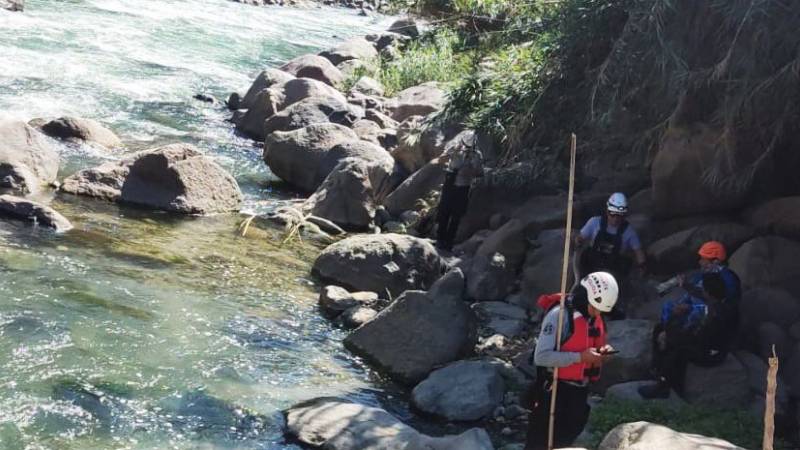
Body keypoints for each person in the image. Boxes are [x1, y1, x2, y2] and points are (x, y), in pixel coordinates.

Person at [525, 272, 619, 450]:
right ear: (586, 297)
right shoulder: (559, 316)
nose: (598, 313)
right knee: (539, 443)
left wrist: (601, 353)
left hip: (578, 392)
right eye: (595, 307)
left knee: (565, 441)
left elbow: (590, 344)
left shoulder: (593, 317)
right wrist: (580, 357)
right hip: (554, 390)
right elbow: (541, 356)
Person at [638, 272, 738, 399]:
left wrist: (672, 328)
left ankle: (665, 385)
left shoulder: (718, 314)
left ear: (708, 292)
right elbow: (700, 295)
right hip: (706, 340)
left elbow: (700, 337)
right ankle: (657, 369)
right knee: (660, 329)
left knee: (678, 350)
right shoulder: (719, 301)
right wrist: (685, 286)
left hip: (713, 352)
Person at [575, 192, 646, 281]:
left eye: (619, 215)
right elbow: (580, 237)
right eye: (612, 214)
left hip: (613, 272)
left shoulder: (629, 231)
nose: (615, 219)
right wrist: (578, 241)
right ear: (607, 211)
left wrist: (642, 266)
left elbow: (638, 252)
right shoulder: (594, 222)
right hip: (592, 266)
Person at [436, 137, 484, 250]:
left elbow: (480, 173)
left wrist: (470, 171)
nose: (467, 149)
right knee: (444, 212)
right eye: (466, 146)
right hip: (450, 184)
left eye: (470, 147)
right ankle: (440, 239)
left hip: (463, 187)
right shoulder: (455, 148)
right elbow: (440, 160)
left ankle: (448, 242)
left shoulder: (477, 155)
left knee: (456, 216)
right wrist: (452, 153)